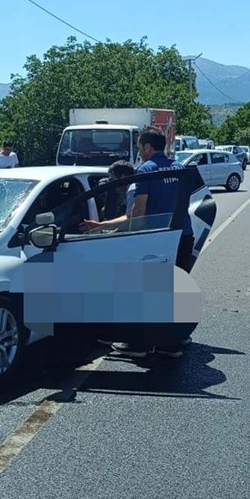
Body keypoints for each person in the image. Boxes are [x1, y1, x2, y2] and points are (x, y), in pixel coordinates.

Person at [80, 130, 197, 358]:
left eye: (139, 146)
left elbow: (138, 212)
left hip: (155, 239)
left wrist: (100, 226)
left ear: (146, 148)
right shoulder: (179, 168)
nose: (139, 151)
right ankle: (174, 340)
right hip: (183, 236)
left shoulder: (145, 171)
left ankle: (137, 345)